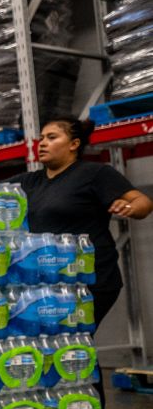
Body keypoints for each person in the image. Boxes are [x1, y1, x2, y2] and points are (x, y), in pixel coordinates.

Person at [10, 115, 151, 329]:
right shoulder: (28, 182)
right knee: (56, 345)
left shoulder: (95, 174)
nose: (43, 143)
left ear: (74, 144)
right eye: (41, 138)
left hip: (90, 280)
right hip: (49, 280)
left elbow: (144, 202)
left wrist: (129, 207)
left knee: (72, 339)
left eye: (52, 137)